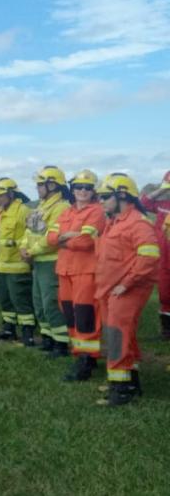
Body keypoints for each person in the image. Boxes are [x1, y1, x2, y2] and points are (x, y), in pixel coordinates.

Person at [94, 174, 160, 406]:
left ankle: (120, 390)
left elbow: (149, 256)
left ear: (121, 195)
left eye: (104, 197)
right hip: (110, 290)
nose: (100, 201)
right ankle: (130, 382)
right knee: (124, 335)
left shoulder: (138, 223)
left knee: (117, 336)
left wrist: (127, 283)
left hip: (127, 290)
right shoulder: (115, 222)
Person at [47, 170, 106, 379]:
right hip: (65, 270)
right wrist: (67, 237)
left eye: (87, 188)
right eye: (79, 187)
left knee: (85, 316)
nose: (82, 191)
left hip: (85, 272)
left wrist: (63, 239)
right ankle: (81, 354)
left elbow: (86, 242)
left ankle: (86, 360)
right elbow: (50, 238)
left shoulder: (97, 212)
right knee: (70, 315)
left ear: (93, 191)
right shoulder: (67, 212)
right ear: (72, 190)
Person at [22, 166, 71, 355]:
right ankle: (48, 337)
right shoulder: (41, 207)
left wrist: (32, 250)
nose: (37, 188)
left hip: (51, 260)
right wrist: (23, 247)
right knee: (39, 302)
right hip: (38, 260)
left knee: (51, 301)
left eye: (40, 184)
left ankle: (61, 342)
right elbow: (29, 231)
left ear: (52, 185)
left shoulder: (62, 208)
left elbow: (53, 236)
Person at [0, 179, 35, 345]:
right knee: (5, 300)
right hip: (1, 264)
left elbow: (31, 234)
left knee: (21, 301)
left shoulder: (24, 211)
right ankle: (8, 328)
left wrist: (14, 244)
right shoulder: (2, 212)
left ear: (10, 194)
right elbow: (5, 235)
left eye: (0, 195)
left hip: (18, 265)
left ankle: (28, 334)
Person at [140, 170, 170, 339]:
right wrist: (161, 190)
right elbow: (143, 203)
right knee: (165, 294)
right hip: (163, 259)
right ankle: (167, 331)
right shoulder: (163, 203)